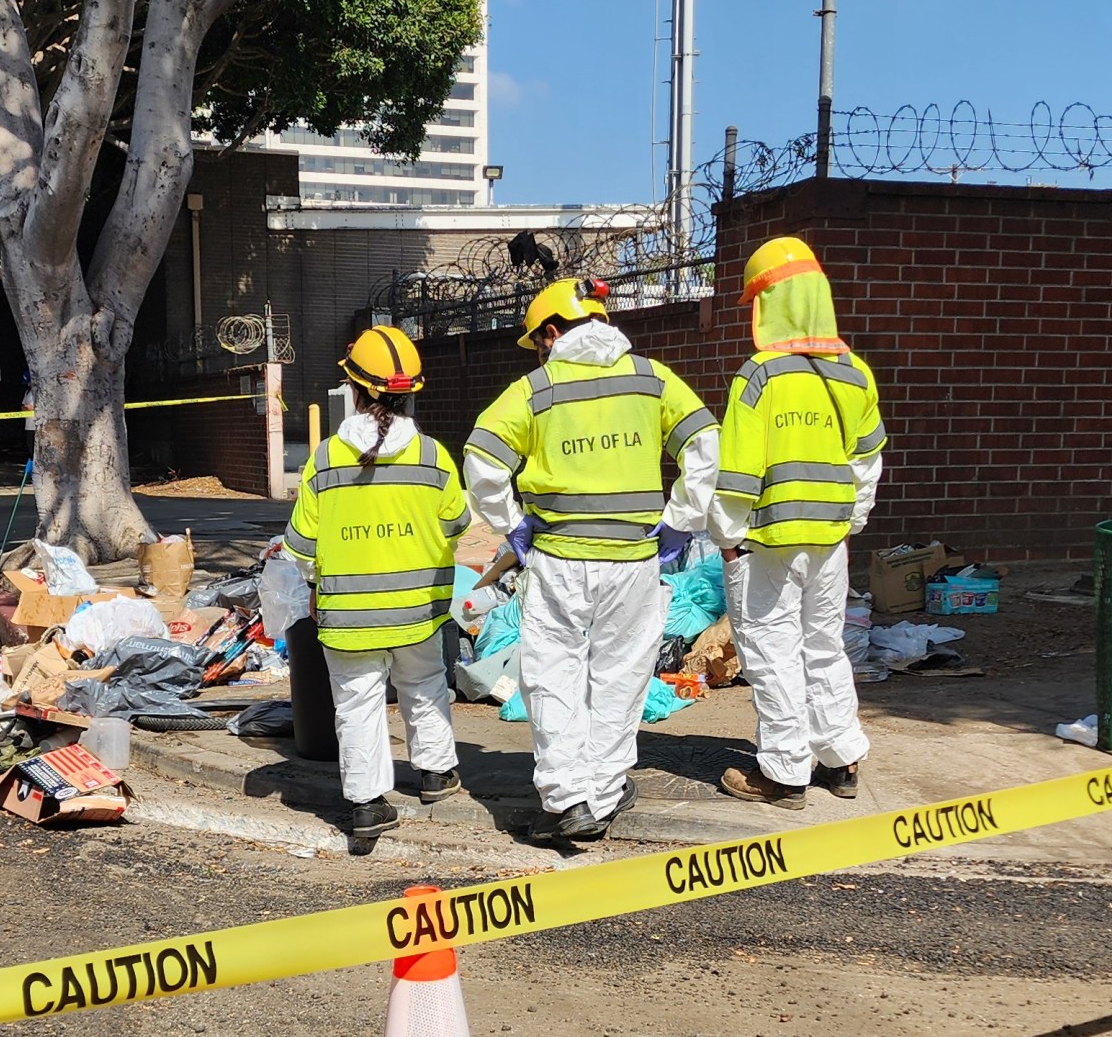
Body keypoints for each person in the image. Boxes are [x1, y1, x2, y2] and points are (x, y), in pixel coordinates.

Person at [463, 278, 717, 842]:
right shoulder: (653, 380)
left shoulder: (535, 389)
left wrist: (512, 523)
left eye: (538, 342)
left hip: (558, 558)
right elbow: (705, 448)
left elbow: (480, 459)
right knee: (620, 677)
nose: (538, 352)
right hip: (633, 560)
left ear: (552, 332)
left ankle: (567, 800)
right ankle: (603, 792)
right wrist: (680, 518)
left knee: (554, 675)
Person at [710, 237, 888, 809]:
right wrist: (849, 524)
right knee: (823, 646)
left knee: (771, 649)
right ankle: (842, 760)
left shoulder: (759, 376)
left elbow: (736, 472)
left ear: (771, 304)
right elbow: (867, 462)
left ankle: (784, 774)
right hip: (829, 540)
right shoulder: (854, 372)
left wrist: (727, 539)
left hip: (768, 542)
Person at [282, 327, 469, 844]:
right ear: (410, 393)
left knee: (357, 704)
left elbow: (299, 547)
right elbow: (457, 524)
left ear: (354, 389)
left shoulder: (322, 460)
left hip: (347, 620)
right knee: (425, 686)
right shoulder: (432, 456)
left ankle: (366, 806)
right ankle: (435, 774)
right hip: (418, 613)